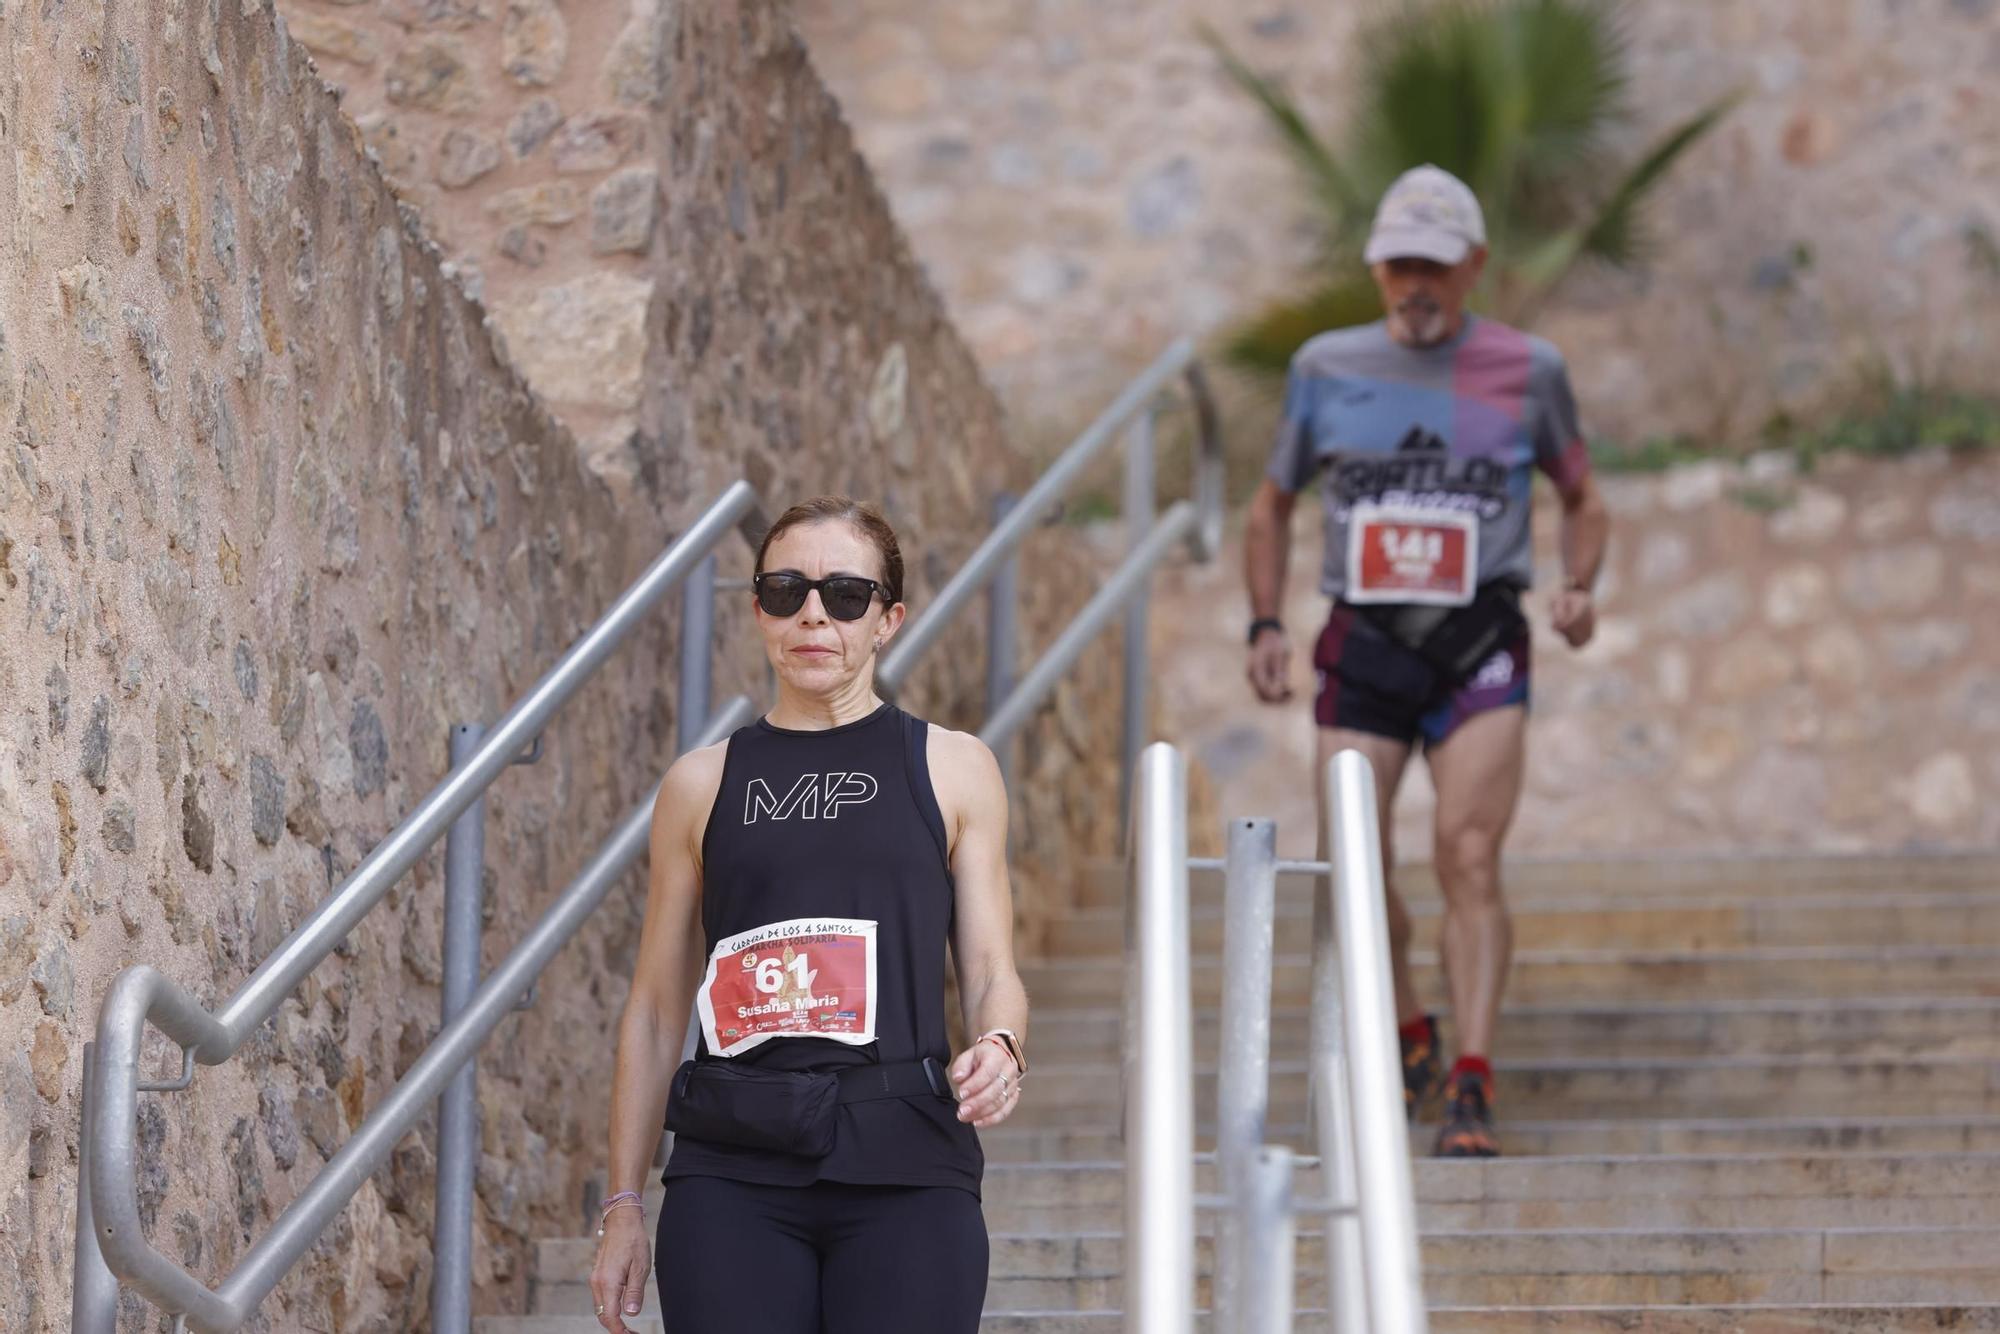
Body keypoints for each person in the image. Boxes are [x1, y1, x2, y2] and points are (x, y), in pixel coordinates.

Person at [589, 497, 1029, 1332]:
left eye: (846, 594)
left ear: (888, 620)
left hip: (907, 1161)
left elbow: (990, 969)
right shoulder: (699, 784)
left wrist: (1002, 1043)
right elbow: (652, 1009)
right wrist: (623, 1204)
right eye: (786, 590)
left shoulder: (956, 767)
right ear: (758, 610)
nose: (813, 614)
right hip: (731, 1168)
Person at [1242, 165, 1610, 1158]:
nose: (1416, 284)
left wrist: (1577, 584)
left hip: (1478, 640)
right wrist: (1262, 624)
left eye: (1435, 267)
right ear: (1373, 267)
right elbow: (1270, 503)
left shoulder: (1527, 368)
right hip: (1362, 640)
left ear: (1472, 266)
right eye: (1399, 263)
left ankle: (1473, 1080)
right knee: (1355, 862)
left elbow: (1581, 496)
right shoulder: (1323, 366)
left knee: (1468, 850)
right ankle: (1412, 1026)